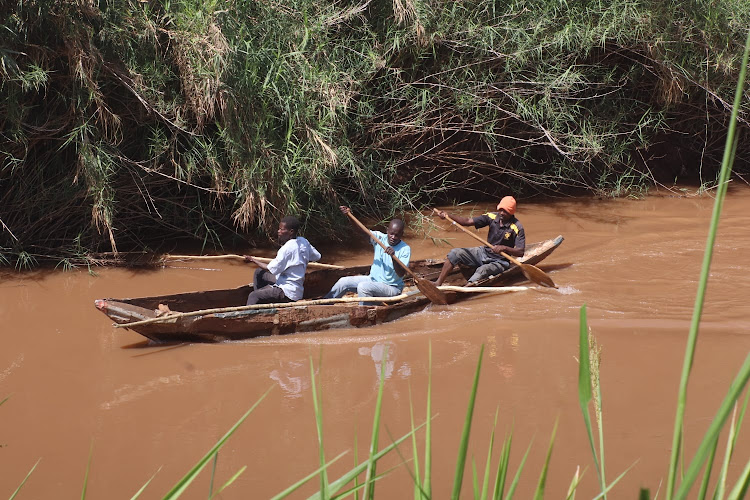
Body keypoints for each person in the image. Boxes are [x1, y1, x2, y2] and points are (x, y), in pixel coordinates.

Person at [324, 206, 411, 303]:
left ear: (401, 234)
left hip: (392, 288)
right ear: (387, 231)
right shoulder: (379, 238)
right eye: (391, 234)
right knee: (343, 282)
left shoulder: (405, 249)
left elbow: (401, 273)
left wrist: (393, 257)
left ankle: (365, 312)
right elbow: (361, 231)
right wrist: (349, 216)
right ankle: (324, 304)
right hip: (373, 280)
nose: (393, 237)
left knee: (363, 287)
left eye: (397, 235)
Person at [434, 196, 525, 286]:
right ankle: (438, 283)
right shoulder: (491, 217)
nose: (501, 213)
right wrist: (448, 215)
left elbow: (520, 252)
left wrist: (504, 248)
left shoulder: (517, 227)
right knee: (455, 253)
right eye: (500, 209)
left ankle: (465, 289)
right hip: (484, 252)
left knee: (482, 270)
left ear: (511, 212)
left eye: (505, 211)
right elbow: (467, 221)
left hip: (500, 261)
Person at [245, 216, 321, 305]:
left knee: (253, 296)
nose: (279, 231)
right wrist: (301, 260)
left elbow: (271, 269)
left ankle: (251, 313)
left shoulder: (286, 249)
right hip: (295, 287)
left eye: (282, 230)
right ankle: (262, 301)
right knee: (259, 272)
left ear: (291, 232)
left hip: (287, 292)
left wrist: (253, 260)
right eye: (279, 229)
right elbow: (317, 256)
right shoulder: (303, 241)